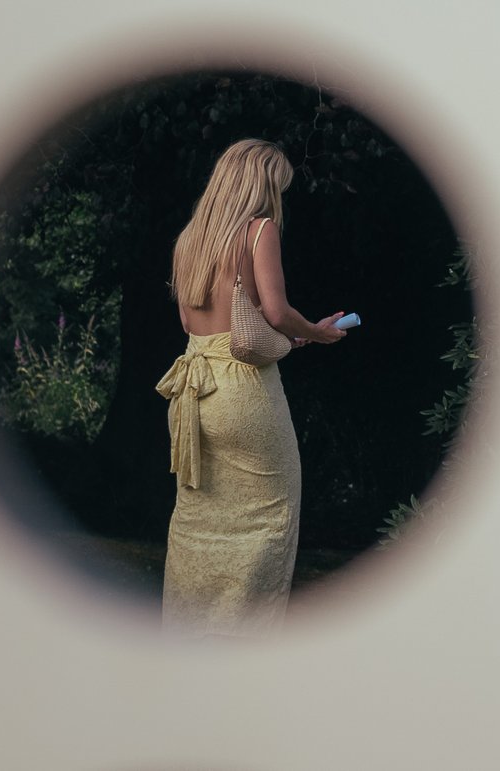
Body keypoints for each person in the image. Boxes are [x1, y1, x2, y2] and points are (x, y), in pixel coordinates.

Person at [154, 140, 345, 634]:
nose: (278, 197)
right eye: (277, 186)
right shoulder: (259, 231)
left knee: (197, 519)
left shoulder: (188, 240)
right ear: (261, 184)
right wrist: (318, 333)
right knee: (270, 518)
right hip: (244, 394)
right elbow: (277, 313)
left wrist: (284, 341)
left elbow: (200, 327)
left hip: (194, 393)